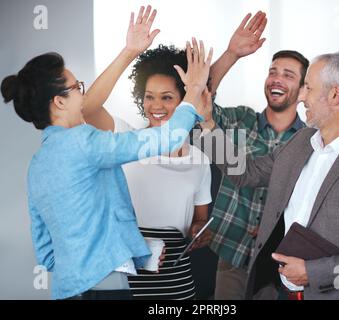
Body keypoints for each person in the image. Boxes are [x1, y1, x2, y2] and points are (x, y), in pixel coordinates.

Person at [0, 6, 213, 300]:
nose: (83, 95)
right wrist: (195, 89)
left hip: (66, 289)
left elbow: (46, 252)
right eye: (77, 88)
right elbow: (169, 138)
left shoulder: (36, 165)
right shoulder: (85, 142)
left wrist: (136, 253)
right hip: (108, 290)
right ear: (59, 102)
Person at [198, 52, 339, 300]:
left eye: (308, 87)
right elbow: (247, 173)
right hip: (276, 285)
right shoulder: (300, 141)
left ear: (335, 94)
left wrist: (314, 272)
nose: (302, 96)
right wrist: (209, 124)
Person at [83, 11, 212, 299]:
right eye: (149, 96)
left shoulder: (200, 161)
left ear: (183, 102)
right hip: (124, 280)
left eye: (167, 97)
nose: (156, 105)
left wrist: (200, 231)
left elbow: (199, 220)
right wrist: (129, 52)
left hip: (176, 283)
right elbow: (87, 109)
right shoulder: (128, 140)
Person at [203, 11, 309, 299]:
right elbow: (199, 99)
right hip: (232, 254)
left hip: (280, 266)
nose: (276, 79)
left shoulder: (311, 142)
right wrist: (231, 53)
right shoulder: (238, 121)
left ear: (302, 91)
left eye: (288, 75)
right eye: (273, 71)